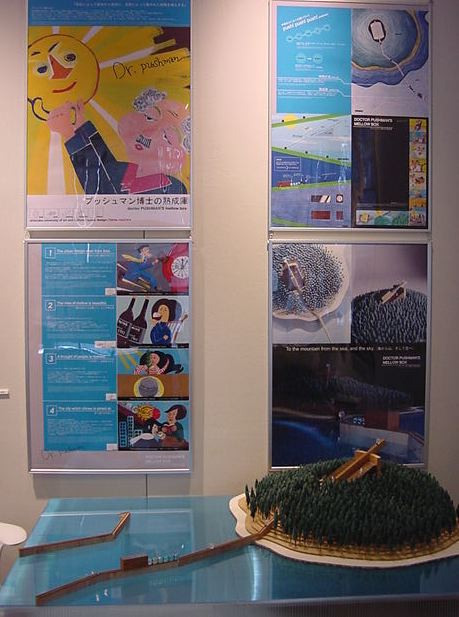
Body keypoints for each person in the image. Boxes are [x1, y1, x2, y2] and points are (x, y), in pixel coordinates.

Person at [46, 88, 189, 195]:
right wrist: (80, 127)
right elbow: (105, 167)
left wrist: (69, 133)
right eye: (149, 117)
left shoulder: (172, 188)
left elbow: (103, 189)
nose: (149, 132)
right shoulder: (128, 169)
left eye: (166, 136)